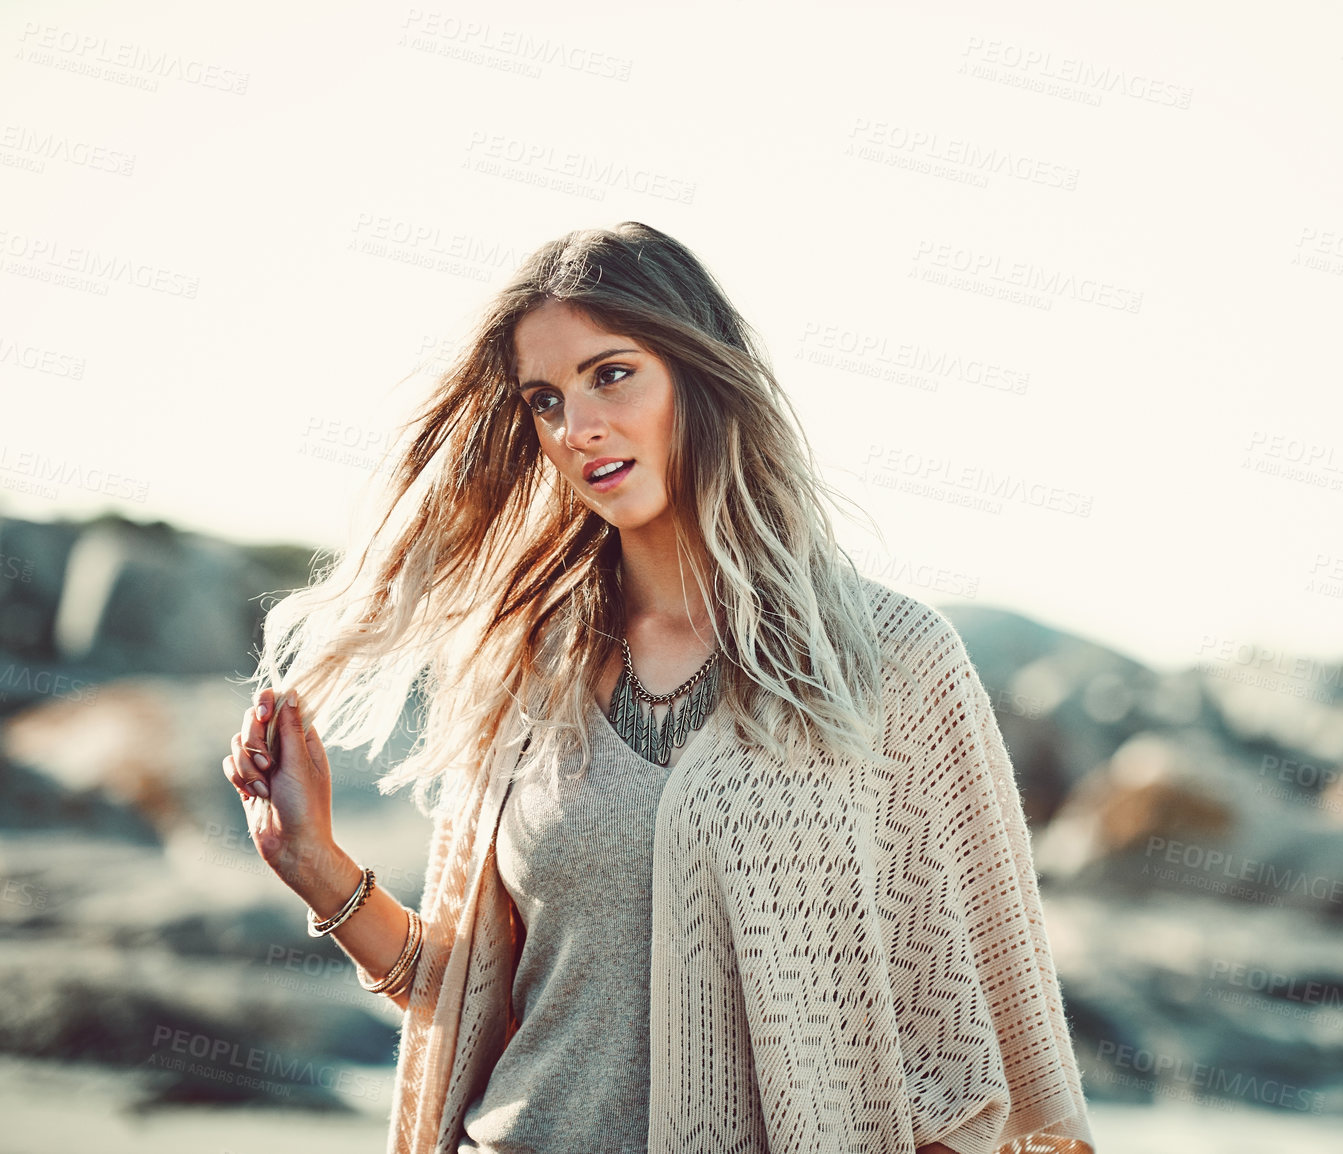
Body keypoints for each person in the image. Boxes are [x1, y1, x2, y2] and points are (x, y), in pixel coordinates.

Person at [221, 221, 1095, 1154]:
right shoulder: (528, 666)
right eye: (545, 400)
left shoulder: (892, 661)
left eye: (612, 373)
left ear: (696, 373)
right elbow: (477, 999)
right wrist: (310, 860)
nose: (579, 426)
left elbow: (980, 1053)